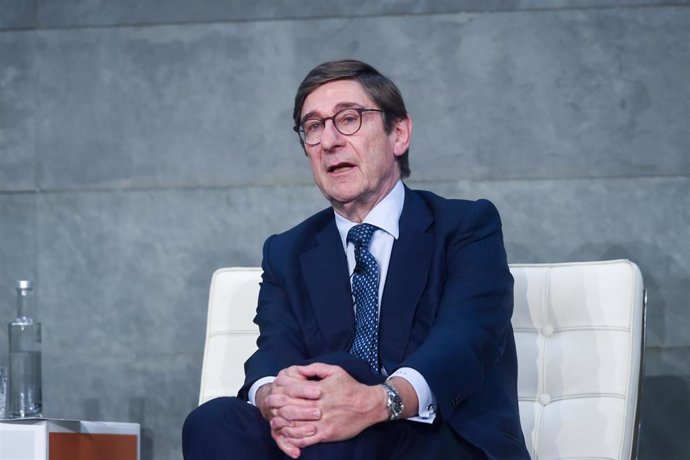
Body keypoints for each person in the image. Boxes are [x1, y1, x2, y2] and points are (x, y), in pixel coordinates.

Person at [182, 59, 530, 460]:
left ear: (398, 134)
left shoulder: (465, 226)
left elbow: (465, 340)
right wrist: (273, 397)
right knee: (214, 421)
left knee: (342, 391)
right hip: (325, 439)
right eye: (313, 127)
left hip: (442, 438)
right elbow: (274, 349)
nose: (329, 140)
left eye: (348, 119)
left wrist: (375, 401)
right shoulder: (287, 251)